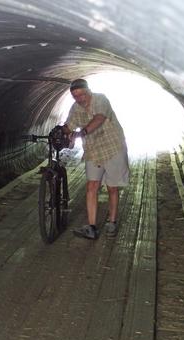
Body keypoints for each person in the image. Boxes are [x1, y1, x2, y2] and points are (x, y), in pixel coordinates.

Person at [63, 78, 129, 239]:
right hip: (93, 151)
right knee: (91, 186)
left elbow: (99, 118)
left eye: (82, 95)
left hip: (112, 147)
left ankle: (112, 222)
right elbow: (69, 125)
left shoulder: (101, 99)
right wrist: (62, 131)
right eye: (75, 96)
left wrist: (83, 132)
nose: (80, 99)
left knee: (112, 187)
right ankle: (91, 227)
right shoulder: (75, 108)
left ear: (89, 91)